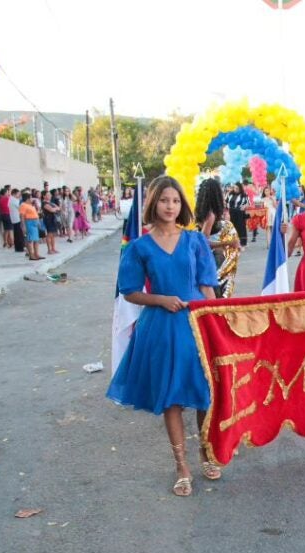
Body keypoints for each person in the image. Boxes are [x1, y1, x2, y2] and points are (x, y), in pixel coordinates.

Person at [107, 176, 221, 494]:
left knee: (203, 394)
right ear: (153, 203)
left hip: (196, 325)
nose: (170, 206)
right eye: (163, 200)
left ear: (181, 205)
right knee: (171, 397)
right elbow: (129, 291)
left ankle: (206, 451)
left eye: (175, 201)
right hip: (161, 327)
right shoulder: (139, 246)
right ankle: (181, 466)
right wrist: (160, 299)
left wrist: (215, 322)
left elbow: (207, 284)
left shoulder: (195, 240)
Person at [194, 178, 240, 299]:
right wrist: (228, 242)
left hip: (207, 259)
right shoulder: (210, 215)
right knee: (216, 293)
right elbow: (203, 243)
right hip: (211, 260)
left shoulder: (203, 212)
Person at [19, 191, 43, 260]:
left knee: (36, 239)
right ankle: (31, 255)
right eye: (31, 197)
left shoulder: (30, 205)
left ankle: (36, 254)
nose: (32, 199)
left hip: (34, 222)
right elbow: (22, 216)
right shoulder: (23, 205)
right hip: (29, 223)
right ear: (27, 198)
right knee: (30, 240)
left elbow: (36, 212)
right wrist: (23, 226)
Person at [226, 182, 250, 247]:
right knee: (231, 227)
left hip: (240, 213)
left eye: (237, 188)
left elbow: (248, 203)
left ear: (240, 188)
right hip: (231, 212)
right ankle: (232, 242)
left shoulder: (244, 195)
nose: (235, 189)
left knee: (241, 227)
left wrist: (244, 206)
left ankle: (242, 243)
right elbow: (226, 202)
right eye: (234, 188)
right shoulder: (230, 194)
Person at [42, 189, 61, 254]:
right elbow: (52, 210)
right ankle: (49, 250)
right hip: (48, 220)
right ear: (44, 196)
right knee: (49, 234)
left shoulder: (51, 203)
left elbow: (59, 208)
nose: (50, 196)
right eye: (48, 195)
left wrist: (55, 209)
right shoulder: (44, 203)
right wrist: (55, 209)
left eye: (50, 194)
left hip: (53, 219)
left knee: (53, 235)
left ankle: (53, 248)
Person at [8, 188, 25, 253]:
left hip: (14, 218)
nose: (19, 195)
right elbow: (20, 207)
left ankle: (18, 248)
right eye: (18, 194)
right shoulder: (14, 200)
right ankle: (20, 248)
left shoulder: (11, 199)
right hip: (17, 218)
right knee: (19, 234)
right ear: (14, 194)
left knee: (17, 234)